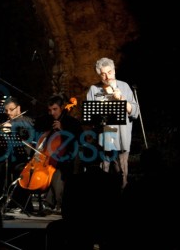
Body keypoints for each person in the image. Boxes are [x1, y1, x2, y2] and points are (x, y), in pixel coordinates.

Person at [86, 57, 139, 188]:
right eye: (103, 73)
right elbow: (90, 117)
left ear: (114, 71)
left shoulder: (124, 86)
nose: (107, 76)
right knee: (103, 175)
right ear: (99, 74)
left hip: (122, 138)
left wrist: (121, 98)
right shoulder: (94, 89)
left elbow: (135, 111)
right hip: (104, 139)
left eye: (109, 72)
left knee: (122, 176)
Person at [34, 94, 82, 215]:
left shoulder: (72, 122)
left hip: (68, 157)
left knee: (58, 172)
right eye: (50, 110)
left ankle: (55, 203)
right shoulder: (49, 120)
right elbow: (37, 126)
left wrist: (63, 129)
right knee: (54, 170)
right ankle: (51, 203)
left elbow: (78, 139)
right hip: (52, 158)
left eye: (55, 109)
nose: (52, 113)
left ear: (62, 108)